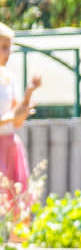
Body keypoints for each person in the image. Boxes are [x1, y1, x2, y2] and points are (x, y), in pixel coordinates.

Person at [0, 24, 40, 215]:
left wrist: (29, 93)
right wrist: (11, 116)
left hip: (10, 145)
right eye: (3, 47)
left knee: (17, 204)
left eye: (9, 47)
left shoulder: (10, 77)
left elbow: (17, 122)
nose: (8, 52)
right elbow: (10, 117)